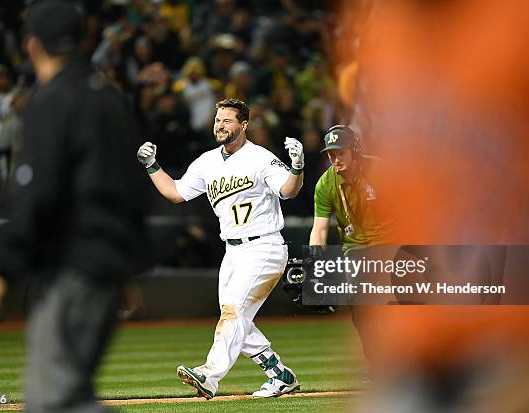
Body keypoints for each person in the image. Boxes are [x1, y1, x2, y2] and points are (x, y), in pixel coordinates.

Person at [0, 2, 144, 412]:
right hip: (105, 266)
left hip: (72, 267)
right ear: (85, 42)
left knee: (54, 402)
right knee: (62, 396)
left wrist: (0, 266)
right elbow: (133, 189)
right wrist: (127, 268)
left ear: (31, 46)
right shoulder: (111, 98)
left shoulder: (53, 98)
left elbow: (37, 191)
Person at [137, 98, 304, 399]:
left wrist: (297, 167)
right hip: (233, 250)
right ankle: (280, 375)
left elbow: (289, 191)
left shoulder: (261, 158)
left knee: (234, 313)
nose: (220, 125)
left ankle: (209, 375)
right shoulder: (207, 162)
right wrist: (151, 166)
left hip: (263, 246)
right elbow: (176, 193)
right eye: (217, 120)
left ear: (243, 125)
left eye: (227, 120)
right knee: (238, 318)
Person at [308, 124, 390, 379]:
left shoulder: (382, 170)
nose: (335, 159)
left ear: (355, 151)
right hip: (355, 247)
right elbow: (319, 228)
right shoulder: (325, 183)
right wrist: (315, 265)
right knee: (360, 308)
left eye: (340, 153)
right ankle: (379, 365)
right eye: (331, 154)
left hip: (391, 241)